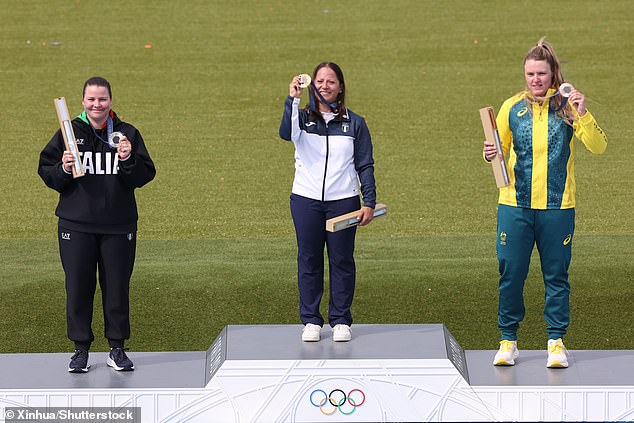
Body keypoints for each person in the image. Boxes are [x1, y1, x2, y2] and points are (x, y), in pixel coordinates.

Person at [483, 39, 607, 368]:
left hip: (558, 207)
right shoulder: (511, 106)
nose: (535, 79)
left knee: (556, 275)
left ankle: (556, 341)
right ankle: (508, 340)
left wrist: (583, 113)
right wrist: (489, 154)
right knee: (511, 274)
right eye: (530, 74)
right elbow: (497, 148)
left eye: (541, 73)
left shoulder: (567, 106)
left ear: (553, 75)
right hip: (514, 206)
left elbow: (598, 146)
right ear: (524, 75)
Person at [38, 76, 156, 373]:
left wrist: (128, 159)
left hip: (119, 225)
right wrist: (64, 168)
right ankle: (80, 351)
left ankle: (116, 349)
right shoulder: (69, 133)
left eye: (102, 99)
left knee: (117, 288)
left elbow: (144, 175)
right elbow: (47, 171)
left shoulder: (126, 134)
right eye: (91, 99)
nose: (96, 104)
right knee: (78, 288)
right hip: (76, 225)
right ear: (83, 102)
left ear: (110, 101)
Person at [279, 62, 377, 342]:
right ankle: (311, 320)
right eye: (320, 81)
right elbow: (286, 133)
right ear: (312, 85)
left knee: (342, 260)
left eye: (331, 81)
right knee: (309, 259)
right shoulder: (302, 118)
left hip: (343, 202)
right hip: (305, 200)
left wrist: (368, 200)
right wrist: (293, 97)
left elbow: (365, 164)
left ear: (341, 87)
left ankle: (340, 319)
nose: (324, 86)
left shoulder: (355, 123)